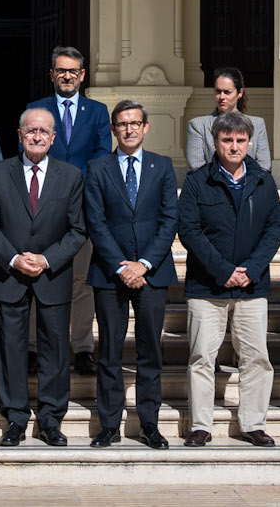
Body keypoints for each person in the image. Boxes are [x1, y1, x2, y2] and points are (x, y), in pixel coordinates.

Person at [0, 107, 86, 446]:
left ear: (54, 138)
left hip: (52, 275)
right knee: (11, 348)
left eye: (43, 131)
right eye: (31, 130)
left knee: (55, 350)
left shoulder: (70, 176)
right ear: (20, 134)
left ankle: (51, 419)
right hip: (10, 275)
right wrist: (13, 259)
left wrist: (46, 259)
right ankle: (15, 418)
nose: (37, 136)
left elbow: (77, 230)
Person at [177, 112, 280, 448]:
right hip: (207, 288)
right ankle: (200, 425)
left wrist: (250, 269)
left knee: (256, 358)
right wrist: (223, 271)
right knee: (202, 359)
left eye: (240, 140)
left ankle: (253, 423)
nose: (234, 146)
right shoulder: (197, 182)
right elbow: (190, 231)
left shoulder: (264, 181)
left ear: (249, 142)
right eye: (227, 140)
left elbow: (274, 228)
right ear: (215, 143)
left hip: (252, 288)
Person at [82, 98, 179, 449]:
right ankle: (109, 424)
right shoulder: (97, 168)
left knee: (149, 350)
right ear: (113, 128)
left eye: (135, 123)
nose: (129, 129)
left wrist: (145, 264)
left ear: (146, 127)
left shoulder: (162, 166)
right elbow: (96, 221)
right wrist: (122, 265)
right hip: (110, 274)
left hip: (153, 273)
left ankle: (149, 424)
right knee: (109, 349)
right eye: (122, 124)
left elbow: (170, 221)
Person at [25, 46, 108, 374]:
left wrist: (75, 186)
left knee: (81, 280)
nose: (67, 76)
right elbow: (29, 150)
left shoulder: (98, 111)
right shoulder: (36, 109)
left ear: (82, 75)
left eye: (73, 71)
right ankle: (32, 347)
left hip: (83, 207)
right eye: (61, 70)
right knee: (35, 276)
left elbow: (101, 154)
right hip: (42, 206)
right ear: (52, 75)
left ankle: (83, 348)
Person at [184, 66, 271, 173]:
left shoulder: (257, 124)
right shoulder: (198, 125)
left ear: (240, 93)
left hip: (249, 186)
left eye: (227, 92)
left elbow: (264, 165)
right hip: (210, 186)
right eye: (218, 92)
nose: (221, 97)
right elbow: (196, 166)